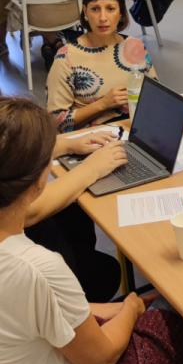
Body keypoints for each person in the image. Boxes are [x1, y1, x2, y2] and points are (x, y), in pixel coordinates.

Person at [0, 98, 183, 364]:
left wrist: (113, 308)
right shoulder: (37, 268)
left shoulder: (23, 267)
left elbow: (42, 307)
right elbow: (101, 359)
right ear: (38, 184)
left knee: (157, 300)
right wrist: (131, 308)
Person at [24, 127, 127, 302]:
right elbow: (27, 211)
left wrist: (67, 145)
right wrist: (92, 168)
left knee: (75, 210)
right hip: (45, 275)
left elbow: (13, 151)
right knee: (104, 275)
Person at [47, 0, 156, 132]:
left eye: (110, 9)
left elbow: (156, 95)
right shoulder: (66, 57)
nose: (103, 18)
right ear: (85, 12)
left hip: (136, 130)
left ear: (121, 13)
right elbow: (55, 122)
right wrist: (103, 104)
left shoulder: (135, 46)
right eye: (95, 9)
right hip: (91, 138)